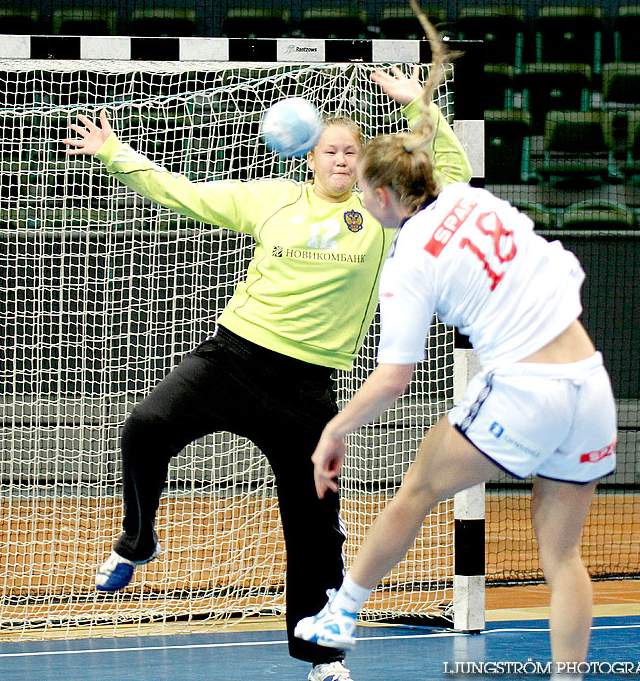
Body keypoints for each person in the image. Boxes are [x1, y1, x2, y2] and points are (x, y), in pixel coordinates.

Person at [62, 61, 471, 681]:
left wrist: (424, 111)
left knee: (312, 527)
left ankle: (322, 658)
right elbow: (186, 191)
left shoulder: (385, 221)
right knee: (145, 427)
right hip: (230, 361)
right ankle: (138, 540)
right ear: (310, 158)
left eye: (353, 151)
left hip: (306, 392)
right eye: (331, 149)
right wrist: (115, 152)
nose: (341, 159)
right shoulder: (271, 200)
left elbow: (456, 187)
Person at [294, 3, 617, 681]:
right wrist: (420, 107)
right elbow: (437, 164)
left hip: (525, 391)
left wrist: (334, 430)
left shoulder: (408, 257)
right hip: (590, 384)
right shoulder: (477, 199)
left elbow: (393, 378)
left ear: (383, 196)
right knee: (563, 558)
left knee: (415, 490)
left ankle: (342, 613)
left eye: (365, 191)